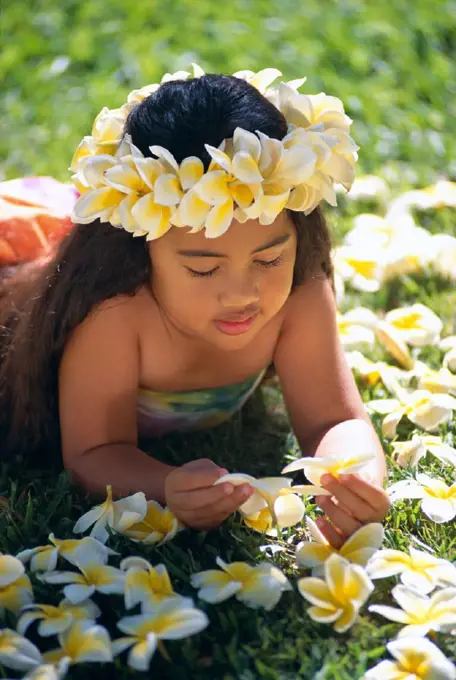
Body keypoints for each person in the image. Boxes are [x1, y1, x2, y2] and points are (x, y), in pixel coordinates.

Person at [0, 66, 390, 548]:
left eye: (269, 257)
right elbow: (94, 452)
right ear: (139, 254)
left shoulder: (299, 294)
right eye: (204, 269)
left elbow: (334, 419)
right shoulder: (116, 314)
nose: (242, 293)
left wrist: (357, 474)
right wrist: (163, 487)